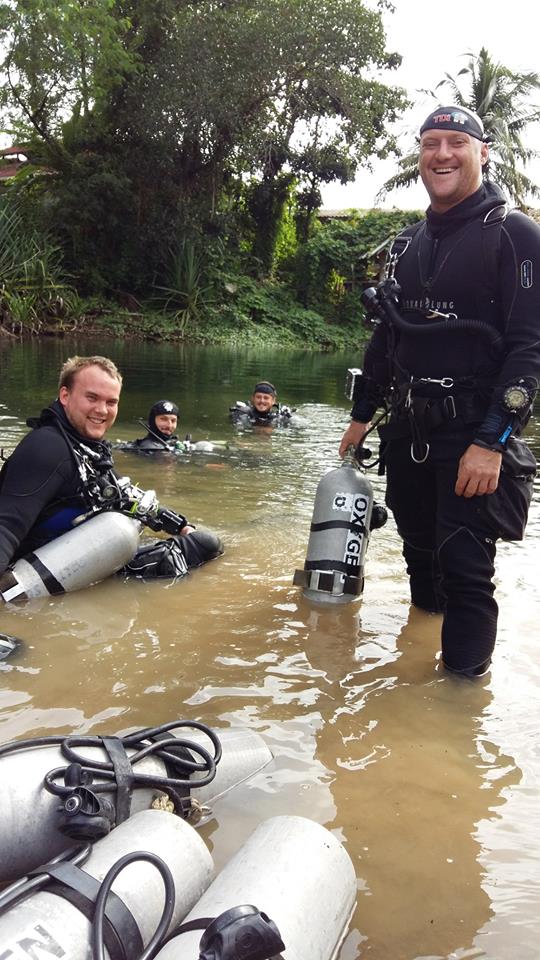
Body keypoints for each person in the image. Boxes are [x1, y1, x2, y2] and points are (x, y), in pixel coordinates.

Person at [339, 105, 539, 678]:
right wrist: (362, 414)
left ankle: (458, 708)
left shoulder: (515, 235)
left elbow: (529, 348)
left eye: (456, 141)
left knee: (466, 569)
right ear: (420, 155)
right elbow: (388, 337)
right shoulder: (407, 244)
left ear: (483, 152)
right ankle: (416, 684)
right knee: (419, 556)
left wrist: (493, 441)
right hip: (407, 428)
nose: (442, 154)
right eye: (431, 143)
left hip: (472, 430)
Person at [0, 356, 222, 581]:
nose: (102, 410)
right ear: (65, 395)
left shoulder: (84, 446)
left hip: (74, 560)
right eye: (92, 397)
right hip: (36, 576)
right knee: (202, 546)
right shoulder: (47, 447)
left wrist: (181, 525)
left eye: (111, 402)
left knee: (202, 542)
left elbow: (128, 495)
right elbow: (6, 526)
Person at [229, 381, 294, 426]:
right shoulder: (241, 414)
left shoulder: (280, 417)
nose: (262, 401)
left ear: (273, 401)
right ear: (253, 398)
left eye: (266, 398)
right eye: (258, 397)